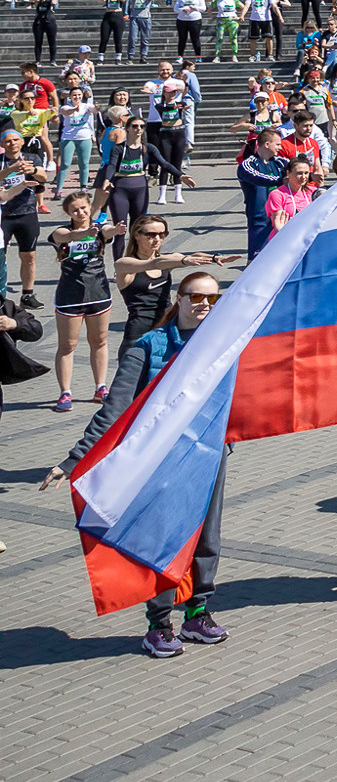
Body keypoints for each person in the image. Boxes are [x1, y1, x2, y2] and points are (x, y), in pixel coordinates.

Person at [42, 267, 233, 657]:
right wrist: (74, 459)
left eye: (213, 299)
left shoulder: (225, 345)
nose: (205, 305)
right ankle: (159, 624)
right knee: (164, 541)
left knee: (205, 540)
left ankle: (197, 613)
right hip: (159, 463)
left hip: (208, 457)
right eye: (197, 297)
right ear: (178, 299)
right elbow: (114, 411)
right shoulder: (149, 346)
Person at [45, 191, 119, 410]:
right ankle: (65, 393)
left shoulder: (100, 230)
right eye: (75, 209)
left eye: (83, 208)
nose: (80, 212)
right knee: (68, 345)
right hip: (70, 296)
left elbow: (108, 231)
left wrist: (115, 230)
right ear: (68, 212)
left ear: (89, 207)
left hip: (99, 293)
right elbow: (64, 237)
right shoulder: (62, 232)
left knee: (100, 341)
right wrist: (84, 232)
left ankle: (100, 387)